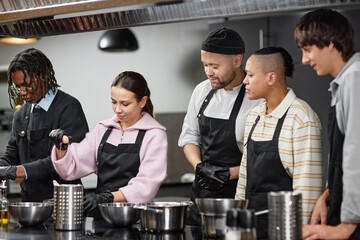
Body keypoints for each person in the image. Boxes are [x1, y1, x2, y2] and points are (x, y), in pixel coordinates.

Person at [49, 71, 167, 216]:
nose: (118, 109)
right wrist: (62, 148)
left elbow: (146, 186)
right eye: (113, 102)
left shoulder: (154, 134)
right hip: (102, 216)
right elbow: (70, 169)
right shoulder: (104, 129)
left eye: (125, 104)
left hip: (135, 218)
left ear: (142, 101)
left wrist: (107, 197)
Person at [235, 47, 323, 239]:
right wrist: (238, 226)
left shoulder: (302, 119)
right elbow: (244, 178)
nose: (244, 81)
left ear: (271, 78)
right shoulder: (254, 116)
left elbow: (307, 193)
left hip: (285, 232)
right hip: (251, 231)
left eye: (249, 74)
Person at [178, 27, 263, 226]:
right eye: (205, 65)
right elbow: (189, 136)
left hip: (238, 197)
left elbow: (261, 157)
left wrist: (228, 174)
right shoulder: (201, 91)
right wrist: (199, 167)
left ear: (236, 61)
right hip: (201, 197)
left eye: (214, 66)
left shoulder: (256, 97)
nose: (208, 72)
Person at [295, 8, 360, 239]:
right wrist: (326, 196)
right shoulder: (343, 82)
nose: (304, 60)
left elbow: (356, 154)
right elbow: (341, 157)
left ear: (330, 42)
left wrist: (348, 225)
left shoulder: (355, 78)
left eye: (307, 50)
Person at [0, 48, 88, 202]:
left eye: (26, 85)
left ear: (44, 75)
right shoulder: (20, 114)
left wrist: (15, 171)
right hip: (30, 202)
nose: (22, 92)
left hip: (63, 203)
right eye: (18, 87)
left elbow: (66, 161)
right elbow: (11, 155)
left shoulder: (68, 107)